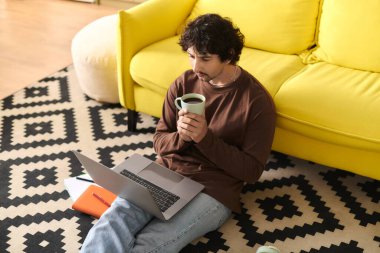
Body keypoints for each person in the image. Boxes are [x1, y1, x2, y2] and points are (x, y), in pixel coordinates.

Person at [80, 13, 276, 253]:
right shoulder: (184, 83)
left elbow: (252, 171)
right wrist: (181, 137)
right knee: (114, 219)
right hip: (167, 171)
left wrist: (204, 138)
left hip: (214, 189)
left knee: (151, 243)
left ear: (228, 56)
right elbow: (160, 142)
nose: (196, 67)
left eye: (205, 59)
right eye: (191, 56)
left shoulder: (256, 101)